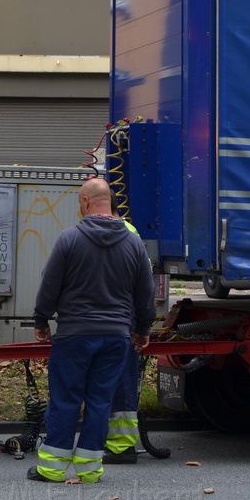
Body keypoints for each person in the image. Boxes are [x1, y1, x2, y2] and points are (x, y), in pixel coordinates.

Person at [27, 178, 155, 483]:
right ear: (109, 201)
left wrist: (41, 320)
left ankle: (52, 468)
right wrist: (143, 328)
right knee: (101, 401)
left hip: (74, 334)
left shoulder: (69, 239)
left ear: (85, 202)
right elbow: (145, 292)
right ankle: (89, 469)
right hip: (115, 337)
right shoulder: (133, 242)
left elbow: (50, 285)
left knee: (65, 399)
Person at [104, 193, 144, 464]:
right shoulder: (131, 233)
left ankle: (120, 446)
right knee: (121, 381)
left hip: (113, 317)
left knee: (116, 382)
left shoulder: (114, 234)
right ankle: (119, 443)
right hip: (125, 317)